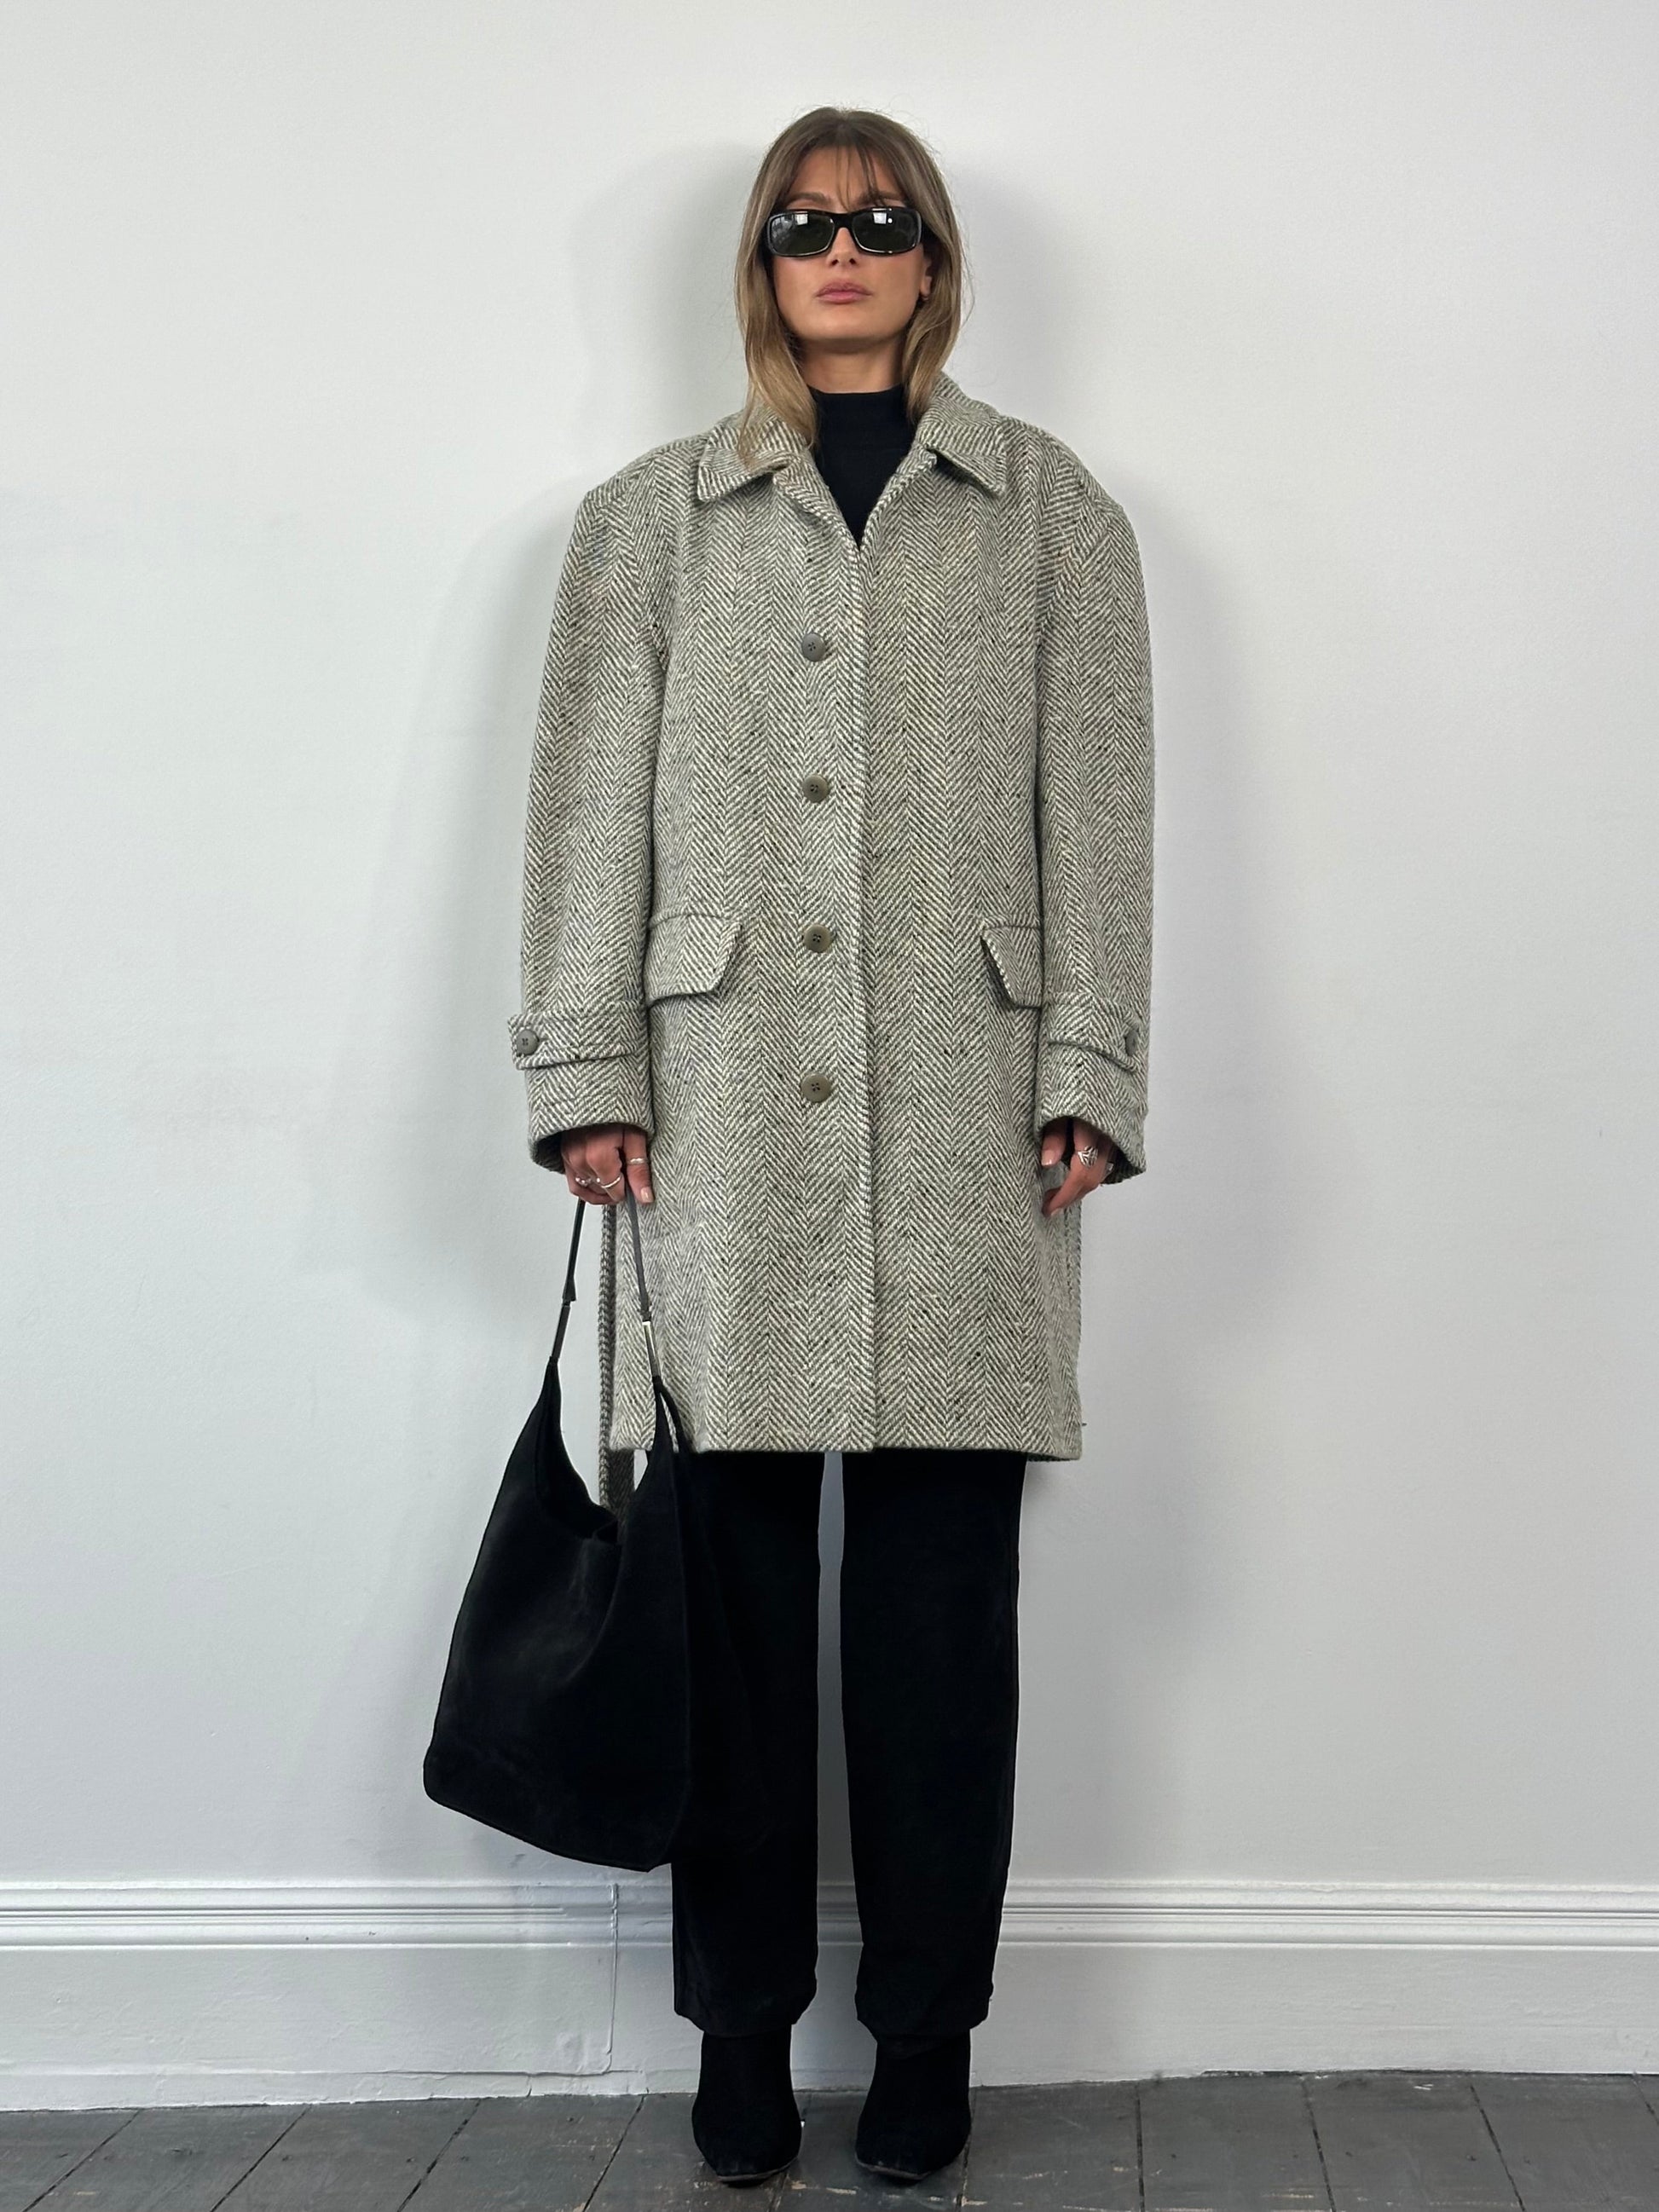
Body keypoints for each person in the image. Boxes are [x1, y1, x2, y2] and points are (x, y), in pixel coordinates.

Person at [510, 105, 1154, 2190]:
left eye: (881, 222)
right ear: (764, 262)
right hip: (715, 1113)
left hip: (974, 1108)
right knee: (726, 1597)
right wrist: (587, 1066)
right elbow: (587, 808)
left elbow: (1100, 812)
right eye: (806, 222)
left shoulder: (1053, 514)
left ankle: (928, 2027)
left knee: (941, 1614)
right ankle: (736, 2025)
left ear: (932, 259)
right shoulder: (648, 521)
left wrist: (1092, 1060)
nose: (844, 250)